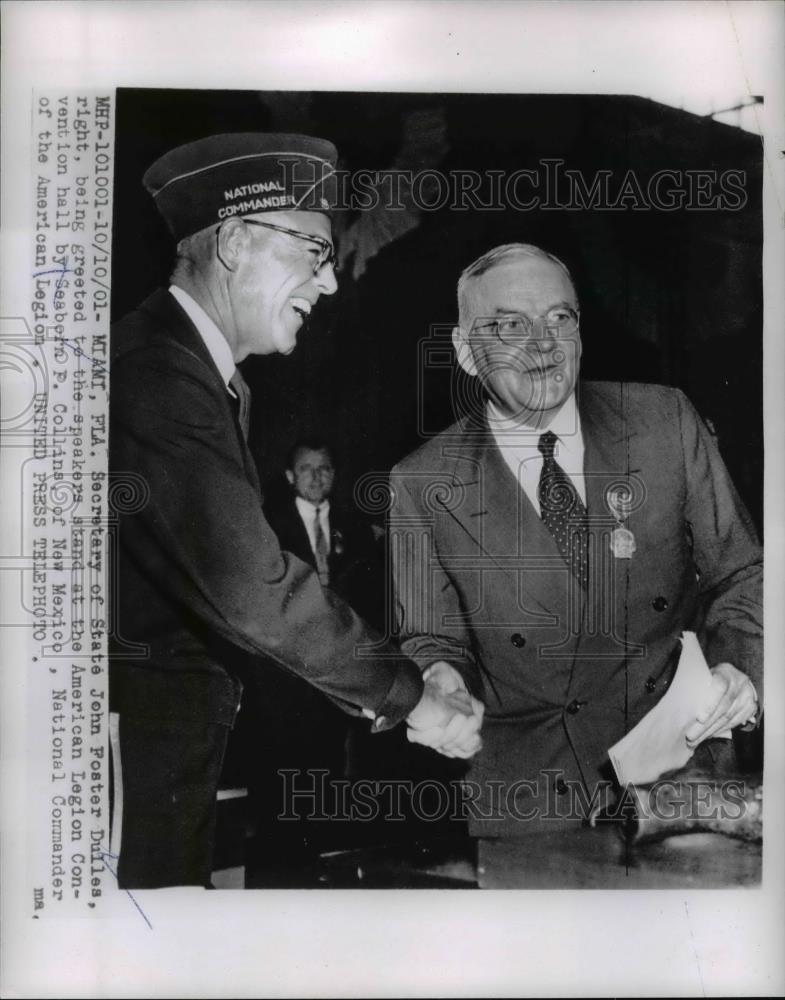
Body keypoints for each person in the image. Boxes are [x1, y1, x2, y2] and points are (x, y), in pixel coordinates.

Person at [108, 132, 482, 889]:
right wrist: (411, 697)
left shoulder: (198, 374)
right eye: (312, 252)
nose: (330, 282)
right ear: (237, 241)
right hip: (137, 749)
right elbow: (251, 584)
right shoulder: (159, 371)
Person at [389, 242, 762, 835]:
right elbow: (429, 637)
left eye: (560, 318)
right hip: (530, 807)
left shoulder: (665, 421)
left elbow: (743, 574)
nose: (543, 343)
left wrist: (741, 669)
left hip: (688, 785)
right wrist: (438, 675)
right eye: (510, 325)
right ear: (464, 351)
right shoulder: (419, 483)